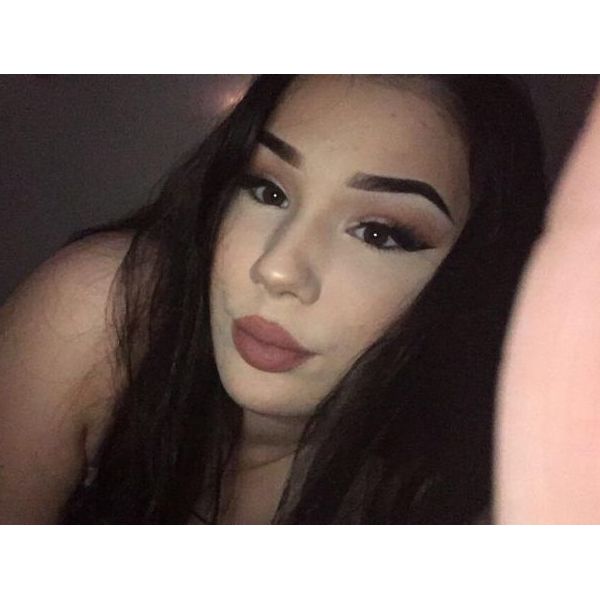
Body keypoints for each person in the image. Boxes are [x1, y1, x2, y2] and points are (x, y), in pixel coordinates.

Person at [0, 75, 547, 524]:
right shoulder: (105, 307)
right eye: (269, 190)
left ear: (471, 282)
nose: (277, 268)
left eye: (379, 233)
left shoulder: (482, 504)